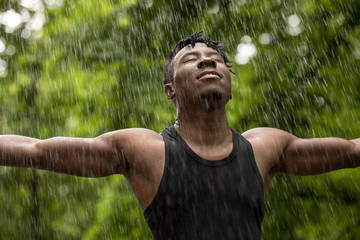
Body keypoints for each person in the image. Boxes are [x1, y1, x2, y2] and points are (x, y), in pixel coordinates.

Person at [0, 31, 359, 239]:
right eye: (192, 59)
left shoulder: (266, 147)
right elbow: (36, 150)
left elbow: (350, 150)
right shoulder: (145, 150)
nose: (207, 61)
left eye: (215, 58)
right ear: (170, 90)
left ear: (230, 88)